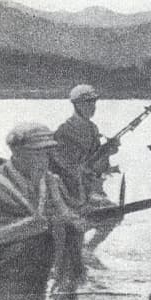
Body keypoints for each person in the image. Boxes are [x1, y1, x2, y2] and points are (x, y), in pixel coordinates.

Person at [0, 123, 86, 300]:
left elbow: (67, 218)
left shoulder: (49, 183)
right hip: (5, 287)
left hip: (34, 285)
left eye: (48, 152)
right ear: (18, 152)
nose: (45, 159)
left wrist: (77, 222)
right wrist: (27, 227)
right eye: (39, 153)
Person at [49, 84, 120, 260]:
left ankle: (88, 249)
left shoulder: (93, 129)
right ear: (76, 104)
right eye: (87, 103)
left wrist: (108, 152)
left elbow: (98, 166)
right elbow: (62, 163)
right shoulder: (64, 131)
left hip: (88, 188)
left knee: (114, 214)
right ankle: (72, 249)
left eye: (94, 103)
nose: (92, 107)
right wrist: (84, 169)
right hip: (66, 190)